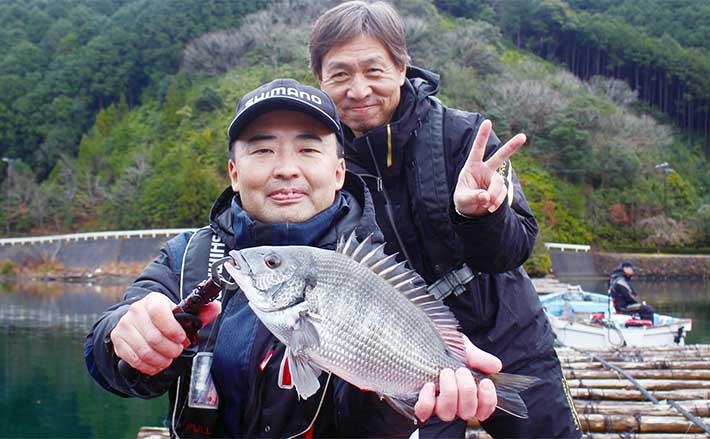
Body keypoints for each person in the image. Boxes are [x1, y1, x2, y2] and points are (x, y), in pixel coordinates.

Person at [84, 78, 501, 438]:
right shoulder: (187, 258)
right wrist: (121, 339)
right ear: (233, 171)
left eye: (307, 149)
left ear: (339, 172)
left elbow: (365, 430)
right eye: (263, 151)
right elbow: (105, 355)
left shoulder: (376, 270)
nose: (285, 168)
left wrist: (409, 392)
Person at [309, 2, 581, 437]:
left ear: (402, 68)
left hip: (509, 337)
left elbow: (515, 248)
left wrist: (481, 216)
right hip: (408, 356)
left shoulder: (465, 137)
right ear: (320, 80)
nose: (358, 89)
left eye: (373, 70)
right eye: (340, 74)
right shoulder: (322, 164)